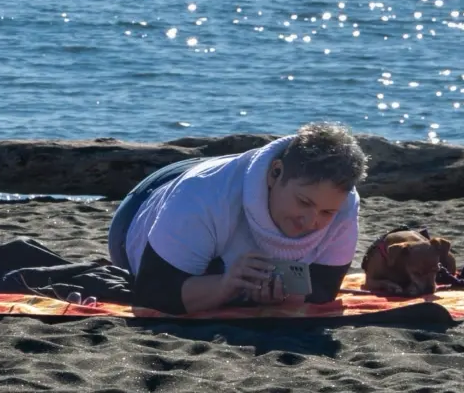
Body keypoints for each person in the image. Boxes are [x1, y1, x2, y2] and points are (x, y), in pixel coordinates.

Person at [107, 123, 366, 314]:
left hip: (225, 172)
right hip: (146, 203)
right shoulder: (201, 196)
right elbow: (152, 294)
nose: (311, 222)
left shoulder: (344, 203)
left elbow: (324, 287)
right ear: (275, 173)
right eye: (304, 203)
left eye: (326, 213)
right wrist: (225, 285)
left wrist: (285, 296)